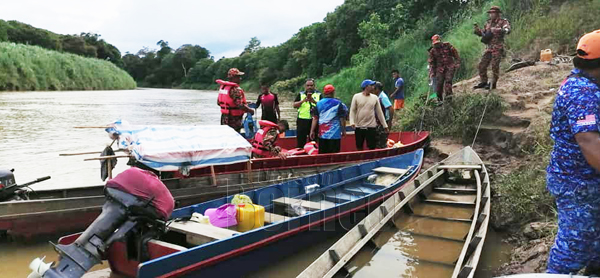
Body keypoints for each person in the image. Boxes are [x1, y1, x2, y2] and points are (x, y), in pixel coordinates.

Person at [546, 30, 600, 275]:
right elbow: (591, 144)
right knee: (573, 247)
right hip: (578, 184)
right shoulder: (582, 93)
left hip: (584, 181)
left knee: (595, 242)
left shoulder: (586, 85)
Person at [473, 6, 511, 90]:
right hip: (489, 48)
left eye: (493, 13)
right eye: (490, 13)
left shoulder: (503, 21)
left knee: (495, 66)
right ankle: (483, 82)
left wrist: (499, 30)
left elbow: (507, 30)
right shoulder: (488, 23)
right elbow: (484, 33)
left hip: (498, 47)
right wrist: (478, 31)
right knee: (481, 65)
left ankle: (493, 84)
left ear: (497, 14)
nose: (491, 15)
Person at [349, 79, 388, 150]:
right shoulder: (356, 96)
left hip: (371, 127)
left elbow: (380, 113)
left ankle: (371, 159)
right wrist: (352, 121)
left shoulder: (375, 98)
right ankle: (361, 160)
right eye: (372, 85)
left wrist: (385, 125)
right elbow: (352, 110)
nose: (373, 87)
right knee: (359, 146)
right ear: (366, 87)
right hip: (359, 126)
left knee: (372, 146)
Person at [309, 84, 348, 154]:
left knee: (323, 155)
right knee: (335, 155)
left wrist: (312, 131)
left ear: (324, 93)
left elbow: (315, 118)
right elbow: (342, 119)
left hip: (322, 134)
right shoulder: (339, 103)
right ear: (333, 92)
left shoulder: (319, 103)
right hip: (335, 135)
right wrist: (343, 130)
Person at [216, 68, 254, 133]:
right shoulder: (235, 89)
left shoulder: (223, 87)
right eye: (238, 77)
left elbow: (219, 102)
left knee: (225, 134)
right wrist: (250, 110)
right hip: (234, 118)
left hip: (224, 117)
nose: (240, 79)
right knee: (235, 134)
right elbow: (240, 105)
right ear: (233, 78)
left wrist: (245, 102)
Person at [428, 34, 460, 103]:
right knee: (439, 85)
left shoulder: (447, 46)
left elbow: (455, 54)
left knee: (448, 83)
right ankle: (440, 101)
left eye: (437, 43)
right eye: (435, 44)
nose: (436, 45)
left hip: (450, 67)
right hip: (439, 70)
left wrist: (457, 63)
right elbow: (432, 63)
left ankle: (449, 100)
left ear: (440, 41)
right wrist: (432, 73)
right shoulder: (432, 51)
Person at [293, 78, 321, 148]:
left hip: (314, 121)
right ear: (305, 86)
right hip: (302, 120)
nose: (309, 87)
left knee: (313, 141)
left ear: (314, 86)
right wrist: (303, 100)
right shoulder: (301, 94)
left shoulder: (319, 94)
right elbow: (294, 105)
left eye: (311, 85)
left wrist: (313, 101)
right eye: (308, 85)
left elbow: (322, 106)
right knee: (301, 141)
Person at [373, 82, 392, 148]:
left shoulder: (383, 97)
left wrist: (389, 122)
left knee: (382, 141)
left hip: (383, 123)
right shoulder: (378, 97)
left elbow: (391, 108)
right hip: (379, 123)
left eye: (374, 89)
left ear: (377, 89)